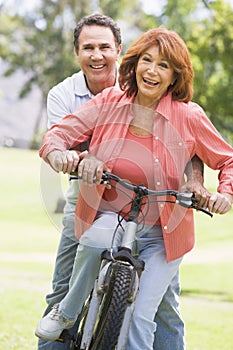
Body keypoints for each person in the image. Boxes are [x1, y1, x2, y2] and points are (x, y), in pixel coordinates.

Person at [37, 20, 211, 350]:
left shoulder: (171, 105)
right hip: (96, 199)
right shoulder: (75, 96)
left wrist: (200, 184)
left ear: (119, 52)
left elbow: (194, 147)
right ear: (76, 53)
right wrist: (64, 156)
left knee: (161, 307)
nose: (97, 55)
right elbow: (60, 137)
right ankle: (65, 318)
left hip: (159, 213)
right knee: (69, 278)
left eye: (105, 47)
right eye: (88, 48)